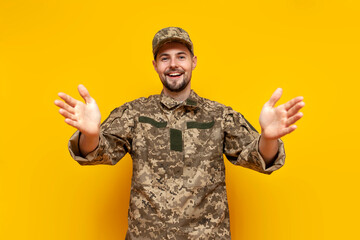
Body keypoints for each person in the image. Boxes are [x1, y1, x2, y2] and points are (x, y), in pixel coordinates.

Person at [54, 27, 304, 239]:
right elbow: (97, 152)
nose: (173, 64)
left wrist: (269, 138)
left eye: (181, 56)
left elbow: (259, 159)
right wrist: (90, 134)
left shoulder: (219, 115)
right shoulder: (134, 113)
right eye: (165, 58)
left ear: (193, 61)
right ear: (155, 65)